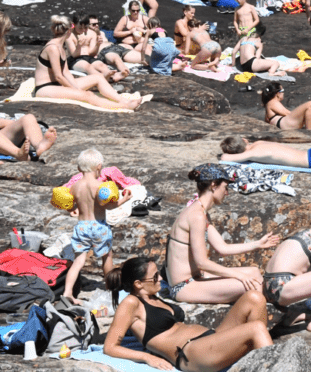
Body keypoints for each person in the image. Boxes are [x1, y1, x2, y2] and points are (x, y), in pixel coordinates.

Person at [104, 257, 272, 370]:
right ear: (138, 284)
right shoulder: (131, 303)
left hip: (211, 339)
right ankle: (277, 364)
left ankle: (258, 362)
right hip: (191, 353)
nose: (161, 279)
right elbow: (110, 347)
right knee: (256, 328)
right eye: (155, 277)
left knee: (254, 297)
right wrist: (147, 358)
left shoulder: (154, 297)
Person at [165, 164, 279, 304]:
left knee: (254, 272)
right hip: (184, 286)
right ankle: (286, 312)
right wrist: (238, 275)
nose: (227, 193)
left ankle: (277, 308)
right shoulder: (197, 216)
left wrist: (257, 244)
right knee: (251, 284)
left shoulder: (200, 211)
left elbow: (222, 248)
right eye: (225, 187)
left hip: (197, 278)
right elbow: (202, 262)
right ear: (214, 185)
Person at [61, 149, 134, 304]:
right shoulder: (100, 186)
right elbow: (110, 206)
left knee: (78, 261)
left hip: (82, 226)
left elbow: (69, 205)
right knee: (107, 257)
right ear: (99, 167)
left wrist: (73, 210)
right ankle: (111, 288)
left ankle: (67, 292)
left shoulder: (75, 187)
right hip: (99, 226)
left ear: (79, 168)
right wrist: (125, 199)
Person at [35, 16, 142, 110]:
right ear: (68, 32)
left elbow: (66, 72)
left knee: (98, 77)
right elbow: (59, 76)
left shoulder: (60, 46)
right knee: (88, 95)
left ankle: (122, 100)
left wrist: (75, 87)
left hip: (58, 85)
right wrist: (75, 90)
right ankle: (125, 107)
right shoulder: (53, 48)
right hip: (45, 88)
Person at [67, 14, 121, 81]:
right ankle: (102, 78)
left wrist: (97, 45)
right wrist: (79, 46)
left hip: (88, 57)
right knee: (88, 67)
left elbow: (92, 53)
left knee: (101, 65)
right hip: (74, 59)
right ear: (74, 25)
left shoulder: (92, 33)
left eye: (85, 28)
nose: (83, 30)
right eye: (80, 28)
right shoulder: (69, 35)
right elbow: (74, 55)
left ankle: (110, 75)